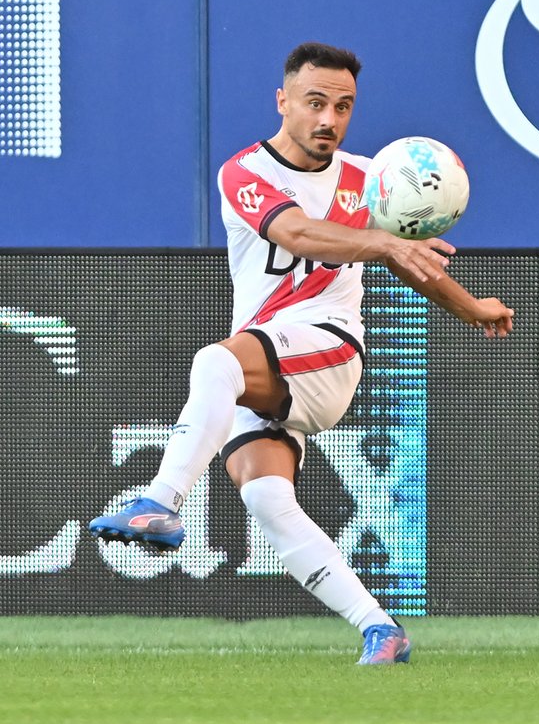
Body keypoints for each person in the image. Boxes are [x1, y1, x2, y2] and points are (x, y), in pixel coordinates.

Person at [88, 42, 514, 665]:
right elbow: (296, 232)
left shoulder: (373, 181)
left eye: (343, 107)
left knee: (215, 363)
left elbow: (411, 259)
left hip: (327, 353)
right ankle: (381, 630)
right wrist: (384, 243)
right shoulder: (245, 173)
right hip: (267, 361)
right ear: (282, 101)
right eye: (315, 103)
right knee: (266, 496)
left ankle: (160, 501)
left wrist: (470, 306)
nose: (329, 120)